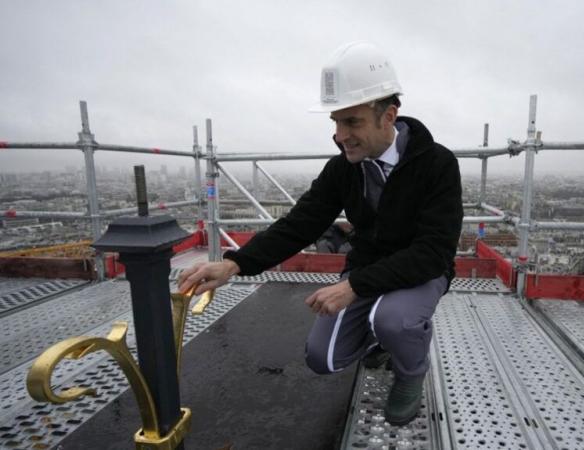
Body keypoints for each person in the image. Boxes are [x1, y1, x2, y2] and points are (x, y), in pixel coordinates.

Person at [179, 41, 463, 426]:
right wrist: (234, 264)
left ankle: (411, 372)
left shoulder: (437, 164)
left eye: (352, 122)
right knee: (323, 358)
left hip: (421, 273)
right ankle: (386, 341)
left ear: (389, 116)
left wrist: (354, 286)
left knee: (394, 319)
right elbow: (301, 223)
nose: (339, 134)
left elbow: (432, 252)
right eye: (336, 122)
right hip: (368, 270)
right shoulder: (344, 169)